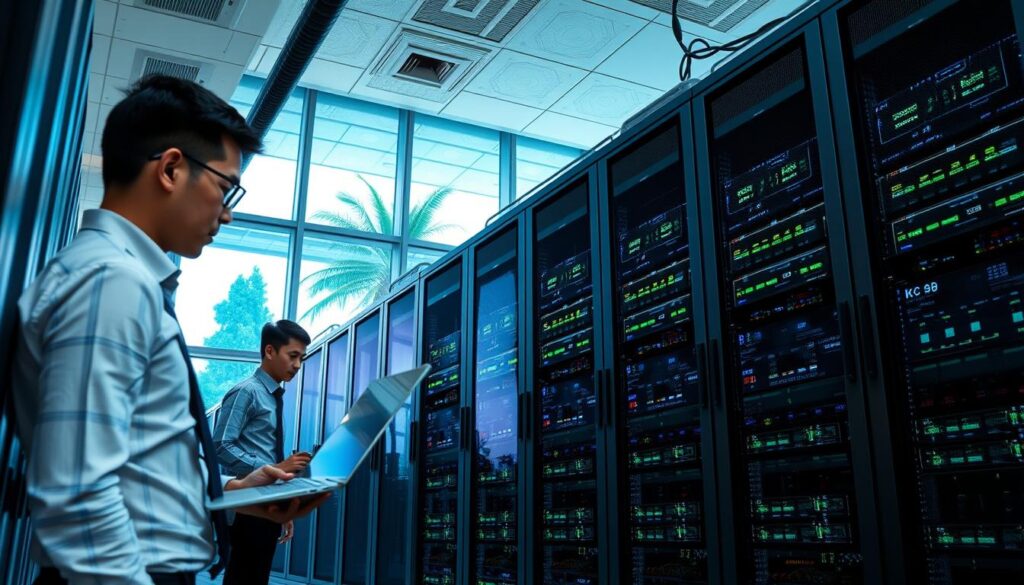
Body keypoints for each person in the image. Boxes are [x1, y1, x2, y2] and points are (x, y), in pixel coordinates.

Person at [10, 75, 327, 585]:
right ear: (172, 168)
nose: (225, 212)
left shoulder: (116, 277)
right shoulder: (110, 281)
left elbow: (140, 464)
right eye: (225, 188)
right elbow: (77, 496)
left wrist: (234, 488)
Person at [213, 320, 314, 585]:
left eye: (301, 358)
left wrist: (281, 502)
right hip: (246, 506)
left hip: (265, 502)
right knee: (243, 579)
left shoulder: (272, 397)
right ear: (270, 351)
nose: (297, 365)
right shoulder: (247, 392)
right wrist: (273, 469)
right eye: (293, 356)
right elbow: (221, 445)